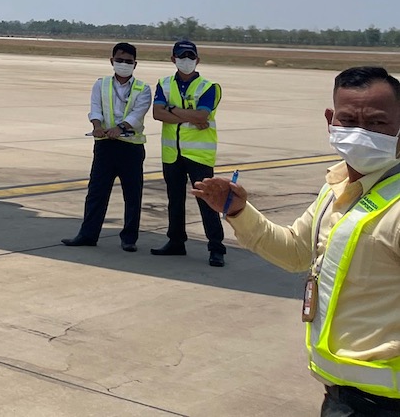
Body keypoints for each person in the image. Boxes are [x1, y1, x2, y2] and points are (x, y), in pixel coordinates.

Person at [193, 67, 400, 416]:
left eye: (377, 123)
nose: (361, 132)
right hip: (343, 397)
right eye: (348, 120)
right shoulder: (337, 188)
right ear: (330, 121)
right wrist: (239, 211)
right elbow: (295, 253)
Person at [61, 43, 151, 251]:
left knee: (132, 194)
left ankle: (129, 238)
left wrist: (120, 128)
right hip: (105, 146)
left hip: (130, 147)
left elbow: (138, 114)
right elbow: (95, 108)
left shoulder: (143, 89)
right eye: (119, 60)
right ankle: (88, 234)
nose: (123, 64)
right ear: (111, 61)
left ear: (135, 64)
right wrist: (97, 126)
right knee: (96, 192)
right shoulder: (100, 85)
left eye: (128, 61)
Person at [151, 39, 226, 265]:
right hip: (172, 153)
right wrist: (188, 115)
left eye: (190, 57)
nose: (186, 61)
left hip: (198, 155)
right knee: (175, 200)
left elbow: (202, 116)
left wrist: (171, 109)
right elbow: (157, 113)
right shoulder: (164, 84)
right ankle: (176, 241)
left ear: (197, 60)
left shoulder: (209, 87)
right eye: (182, 57)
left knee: (207, 201)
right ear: (173, 59)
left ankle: (216, 248)